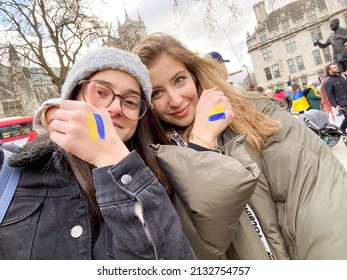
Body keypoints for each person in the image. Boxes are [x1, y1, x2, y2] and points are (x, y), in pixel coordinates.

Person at [135, 32, 347, 260]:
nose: (175, 100)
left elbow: (321, 196)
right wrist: (200, 148)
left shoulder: (259, 114)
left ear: (194, 75)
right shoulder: (155, 160)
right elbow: (201, 249)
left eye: (179, 80)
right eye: (157, 92)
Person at [0, 47, 195, 260]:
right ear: (71, 97)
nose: (115, 108)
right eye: (101, 92)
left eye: (130, 101)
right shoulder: (11, 170)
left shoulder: (155, 180)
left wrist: (114, 160)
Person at [324, 62, 347, 135]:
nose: (336, 68)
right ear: (329, 70)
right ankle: (342, 128)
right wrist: (336, 106)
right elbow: (330, 96)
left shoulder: (341, 77)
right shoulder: (328, 81)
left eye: (336, 67)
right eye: (334, 67)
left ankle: (342, 128)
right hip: (342, 103)